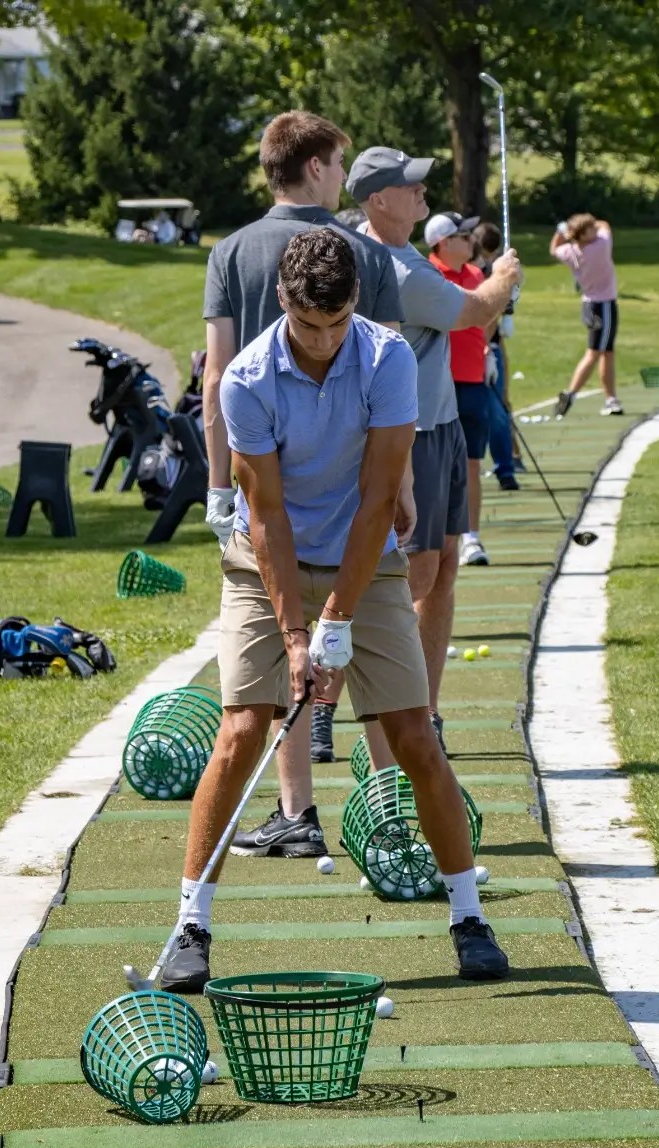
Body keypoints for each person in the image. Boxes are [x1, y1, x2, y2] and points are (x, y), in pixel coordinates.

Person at [160, 229, 510, 991]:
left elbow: (382, 497)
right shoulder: (246, 380)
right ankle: (192, 923)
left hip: (367, 554)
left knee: (416, 734)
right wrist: (296, 632)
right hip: (267, 566)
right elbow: (268, 518)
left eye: (338, 321)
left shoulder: (385, 359)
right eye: (309, 324)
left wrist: (339, 620)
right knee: (242, 730)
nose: (323, 340)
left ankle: (468, 915)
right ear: (283, 303)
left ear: (355, 304)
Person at [201, 110, 407, 853]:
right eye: (341, 161)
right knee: (366, 657)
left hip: (263, 478)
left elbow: (214, 371)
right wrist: (403, 486)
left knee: (289, 663)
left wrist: (219, 487)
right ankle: (388, 814)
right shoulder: (365, 252)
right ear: (316, 166)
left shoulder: (228, 251)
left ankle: (297, 814)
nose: (344, 173)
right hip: (353, 488)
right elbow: (388, 382)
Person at [348, 146, 522, 752]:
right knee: (415, 579)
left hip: (441, 426)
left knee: (444, 570)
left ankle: (427, 712)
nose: (424, 193)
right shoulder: (397, 270)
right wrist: (504, 279)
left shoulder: (400, 256)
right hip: (412, 435)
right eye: (411, 185)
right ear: (378, 200)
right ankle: (401, 718)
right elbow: (472, 311)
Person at [425, 211, 494, 566]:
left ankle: (472, 537)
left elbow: (487, 319)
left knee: (471, 463)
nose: (471, 241)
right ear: (443, 242)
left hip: (473, 380)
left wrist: (488, 351)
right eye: (463, 237)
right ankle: (434, 536)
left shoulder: (476, 274)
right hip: (439, 385)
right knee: (435, 466)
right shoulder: (429, 275)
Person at [550, 213, 623, 418]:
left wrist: (562, 232)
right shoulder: (600, 246)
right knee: (595, 353)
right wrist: (584, 226)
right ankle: (570, 394)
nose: (594, 229)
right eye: (589, 228)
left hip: (589, 306)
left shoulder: (570, 251)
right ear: (583, 235)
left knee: (607, 352)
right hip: (604, 306)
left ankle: (611, 399)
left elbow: (554, 248)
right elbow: (605, 224)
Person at [472, 221, 523, 484]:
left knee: (497, 409)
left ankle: (507, 467)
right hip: (471, 349)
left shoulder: (494, 272)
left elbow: (492, 316)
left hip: (490, 347)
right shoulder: (472, 273)